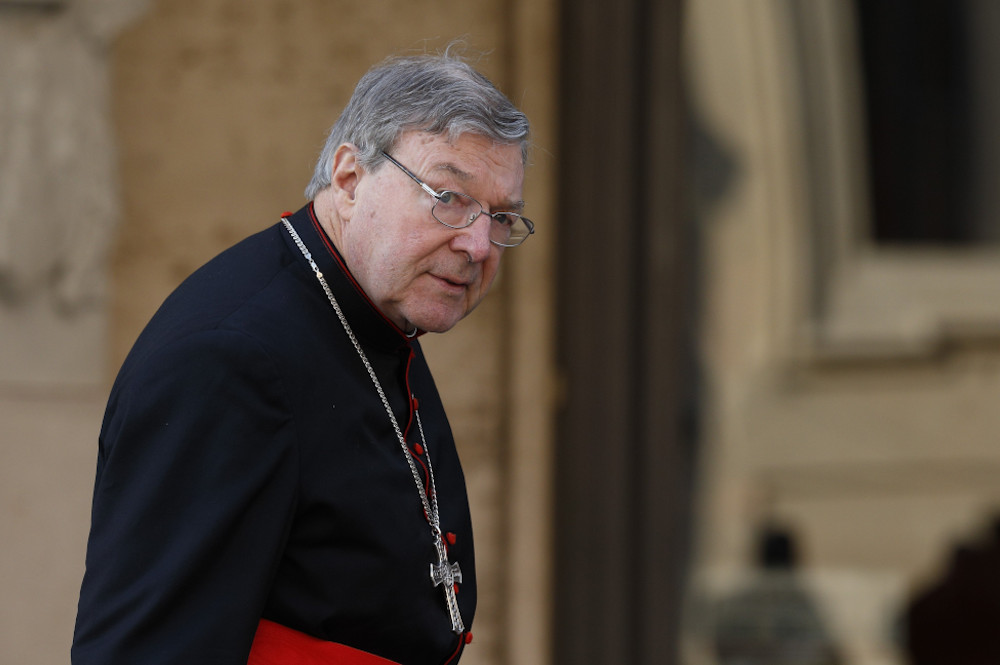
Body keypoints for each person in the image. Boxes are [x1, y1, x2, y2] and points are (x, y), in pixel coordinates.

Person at [71, 49, 534, 665]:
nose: (478, 244)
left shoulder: (379, 311)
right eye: (448, 197)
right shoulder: (228, 361)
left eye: (501, 217)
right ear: (348, 179)